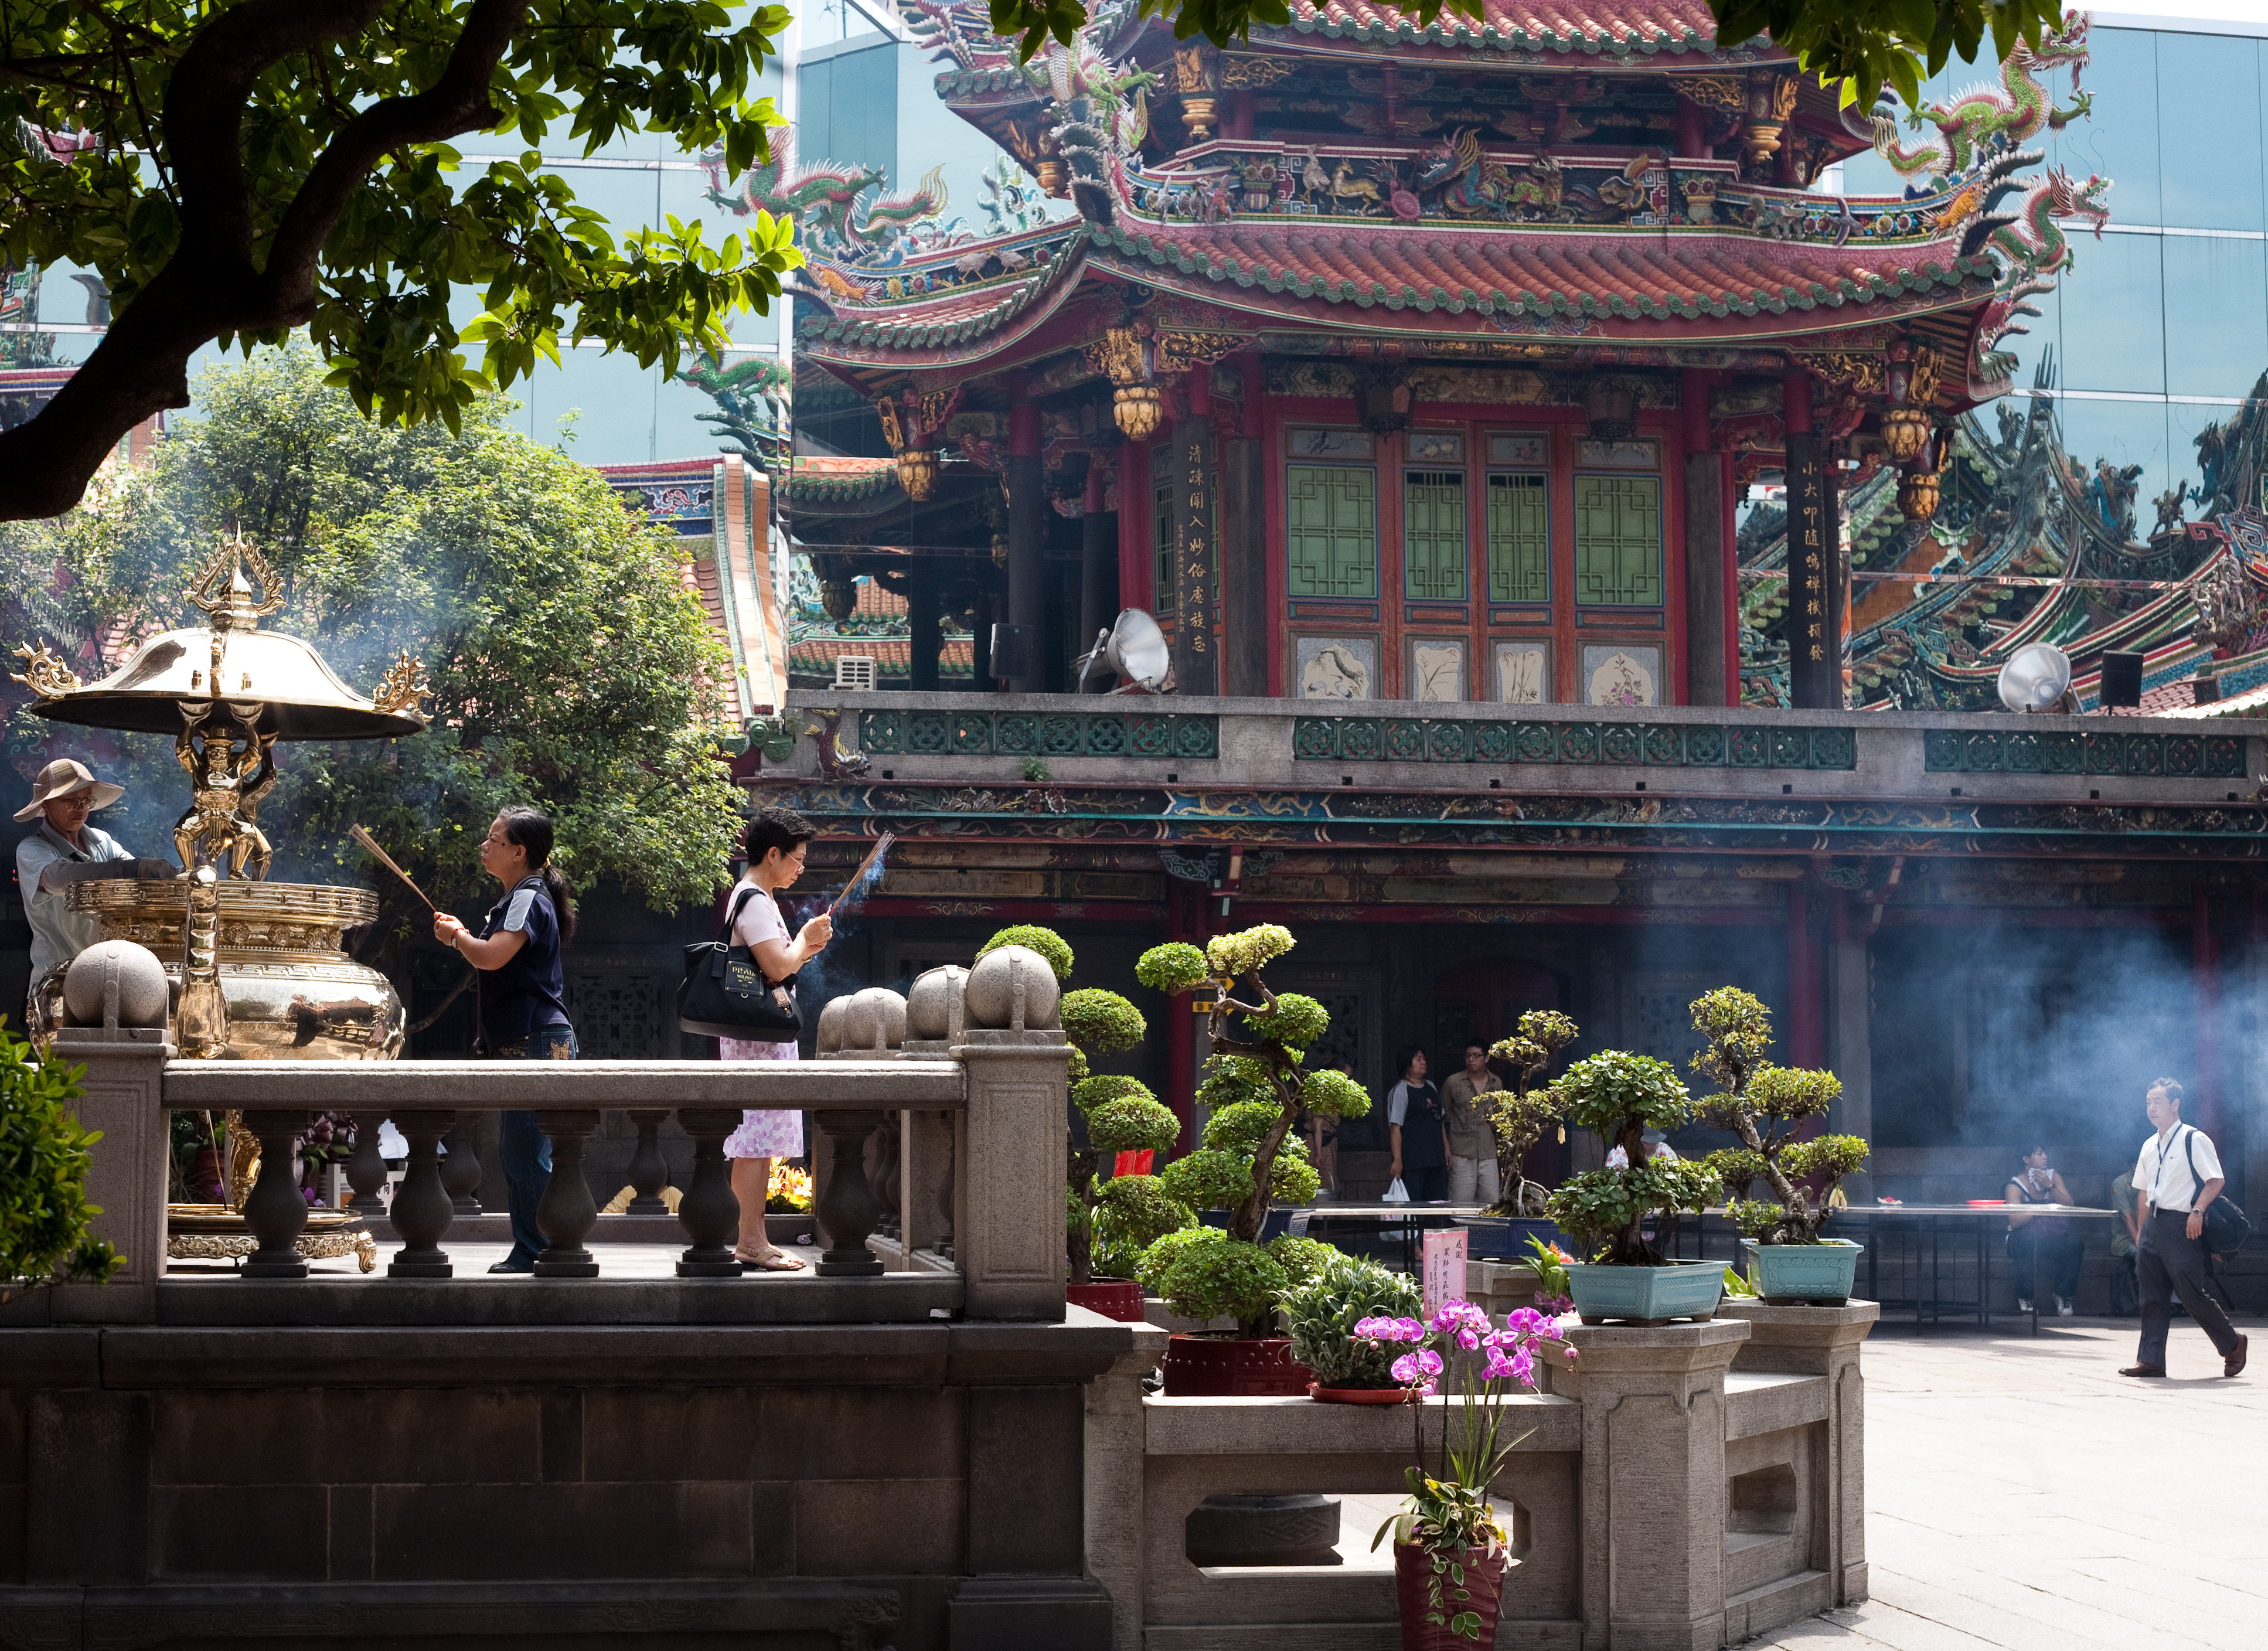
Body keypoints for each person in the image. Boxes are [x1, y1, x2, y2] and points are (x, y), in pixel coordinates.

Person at [434, 806, 577, 1276]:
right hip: (535, 1036)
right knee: (522, 1150)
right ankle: (538, 1243)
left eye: (494, 840)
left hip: (536, 1036)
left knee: (525, 1150)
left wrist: (459, 939)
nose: (484, 845)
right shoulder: (521, 897)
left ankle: (538, 1246)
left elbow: (492, 957)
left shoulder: (526, 896)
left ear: (519, 852)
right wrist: (463, 935)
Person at [719, 806, 833, 1272]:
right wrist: (804, 942)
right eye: (797, 858)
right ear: (772, 853)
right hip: (756, 1038)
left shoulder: (755, 897)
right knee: (754, 1140)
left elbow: (780, 968)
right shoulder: (754, 899)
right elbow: (776, 967)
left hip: (758, 1033)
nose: (800, 867)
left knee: (760, 1140)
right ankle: (750, 1240)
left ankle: (755, 1238)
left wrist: (804, 949)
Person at [2121, 1078, 2247, 1379]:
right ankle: (2151, 1359)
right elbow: (2142, 1191)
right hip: (2152, 1224)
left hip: (2183, 1224)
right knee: (2151, 1294)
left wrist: (2198, 1210)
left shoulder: (2194, 1138)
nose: (2152, 1108)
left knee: (2191, 1293)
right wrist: (2141, 1232)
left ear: (2175, 1105)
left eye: (2158, 1102)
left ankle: (2233, 1344)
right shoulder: (2149, 1144)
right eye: (2148, 1102)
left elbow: (2215, 1180)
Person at [15, 757, 134, 982]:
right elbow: (59, 878)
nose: (81, 809)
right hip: (57, 981)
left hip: (106, 977)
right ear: (46, 805)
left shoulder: (103, 841)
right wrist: (127, 870)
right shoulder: (32, 849)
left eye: (86, 801)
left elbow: (134, 873)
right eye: (71, 802)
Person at [2003, 1141, 2081, 1316]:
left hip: (2051, 1236)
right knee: (2026, 1244)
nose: (2045, 1157)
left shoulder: (2054, 1177)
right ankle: (2026, 1296)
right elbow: (2015, 1221)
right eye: (2039, 1154)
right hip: (2023, 1238)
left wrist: (2050, 1187)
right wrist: (2041, 1208)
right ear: (2026, 1159)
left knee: (2075, 1245)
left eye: (2045, 1153)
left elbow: (2070, 1205)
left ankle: (2063, 1294)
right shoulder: (2014, 1186)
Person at [1442, 1040, 1503, 1207]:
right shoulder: (1453, 1082)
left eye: (1476, 1056)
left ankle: (1488, 1234)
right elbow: (1443, 1116)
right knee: (1460, 1205)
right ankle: (1460, 1234)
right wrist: (1447, 1148)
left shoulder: (1496, 1083)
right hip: (1461, 1152)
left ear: (1487, 1058)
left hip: (1488, 1152)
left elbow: (1500, 1117)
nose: (1471, 1060)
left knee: (1491, 1204)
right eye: (1468, 1056)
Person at [1385, 1045, 1448, 1203]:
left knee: (1438, 1205)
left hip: (1435, 1159)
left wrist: (1446, 1149)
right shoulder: (1400, 1091)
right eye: (1418, 1059)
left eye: (1424, 1059)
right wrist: (1398, 1160)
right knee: (1413, 1206)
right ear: (1407, 1064)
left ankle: (1436, 1229)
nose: (1423, 1062)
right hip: (1413, 1162)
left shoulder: (1431, 1087)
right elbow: (1395, 1128)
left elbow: (1439, 1120)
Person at [2107, 1168, 2140, 1318]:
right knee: (2143, 1255)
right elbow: (2127, 1217)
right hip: (2126, 1240)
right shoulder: (2120, 1184)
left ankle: (2177, 1304)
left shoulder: (2158, 1178)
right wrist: (2139, 1242)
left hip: (2152, 1236)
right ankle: (2150, 1301)